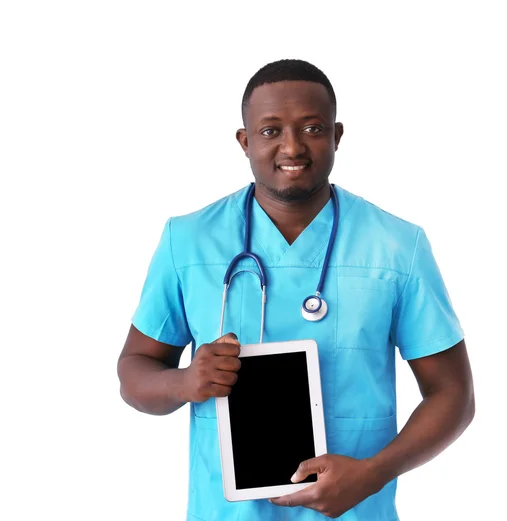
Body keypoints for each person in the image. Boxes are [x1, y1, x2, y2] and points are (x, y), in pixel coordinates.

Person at [117, 58, 475, 521]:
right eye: (270, 131)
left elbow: (453, 395)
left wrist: (373, 473)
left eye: (312, 128)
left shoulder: (396, 247)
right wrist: (184, 382)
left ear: (337, 136)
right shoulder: (187, 241)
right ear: (244, 142)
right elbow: (134, 372)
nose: (292, 146)